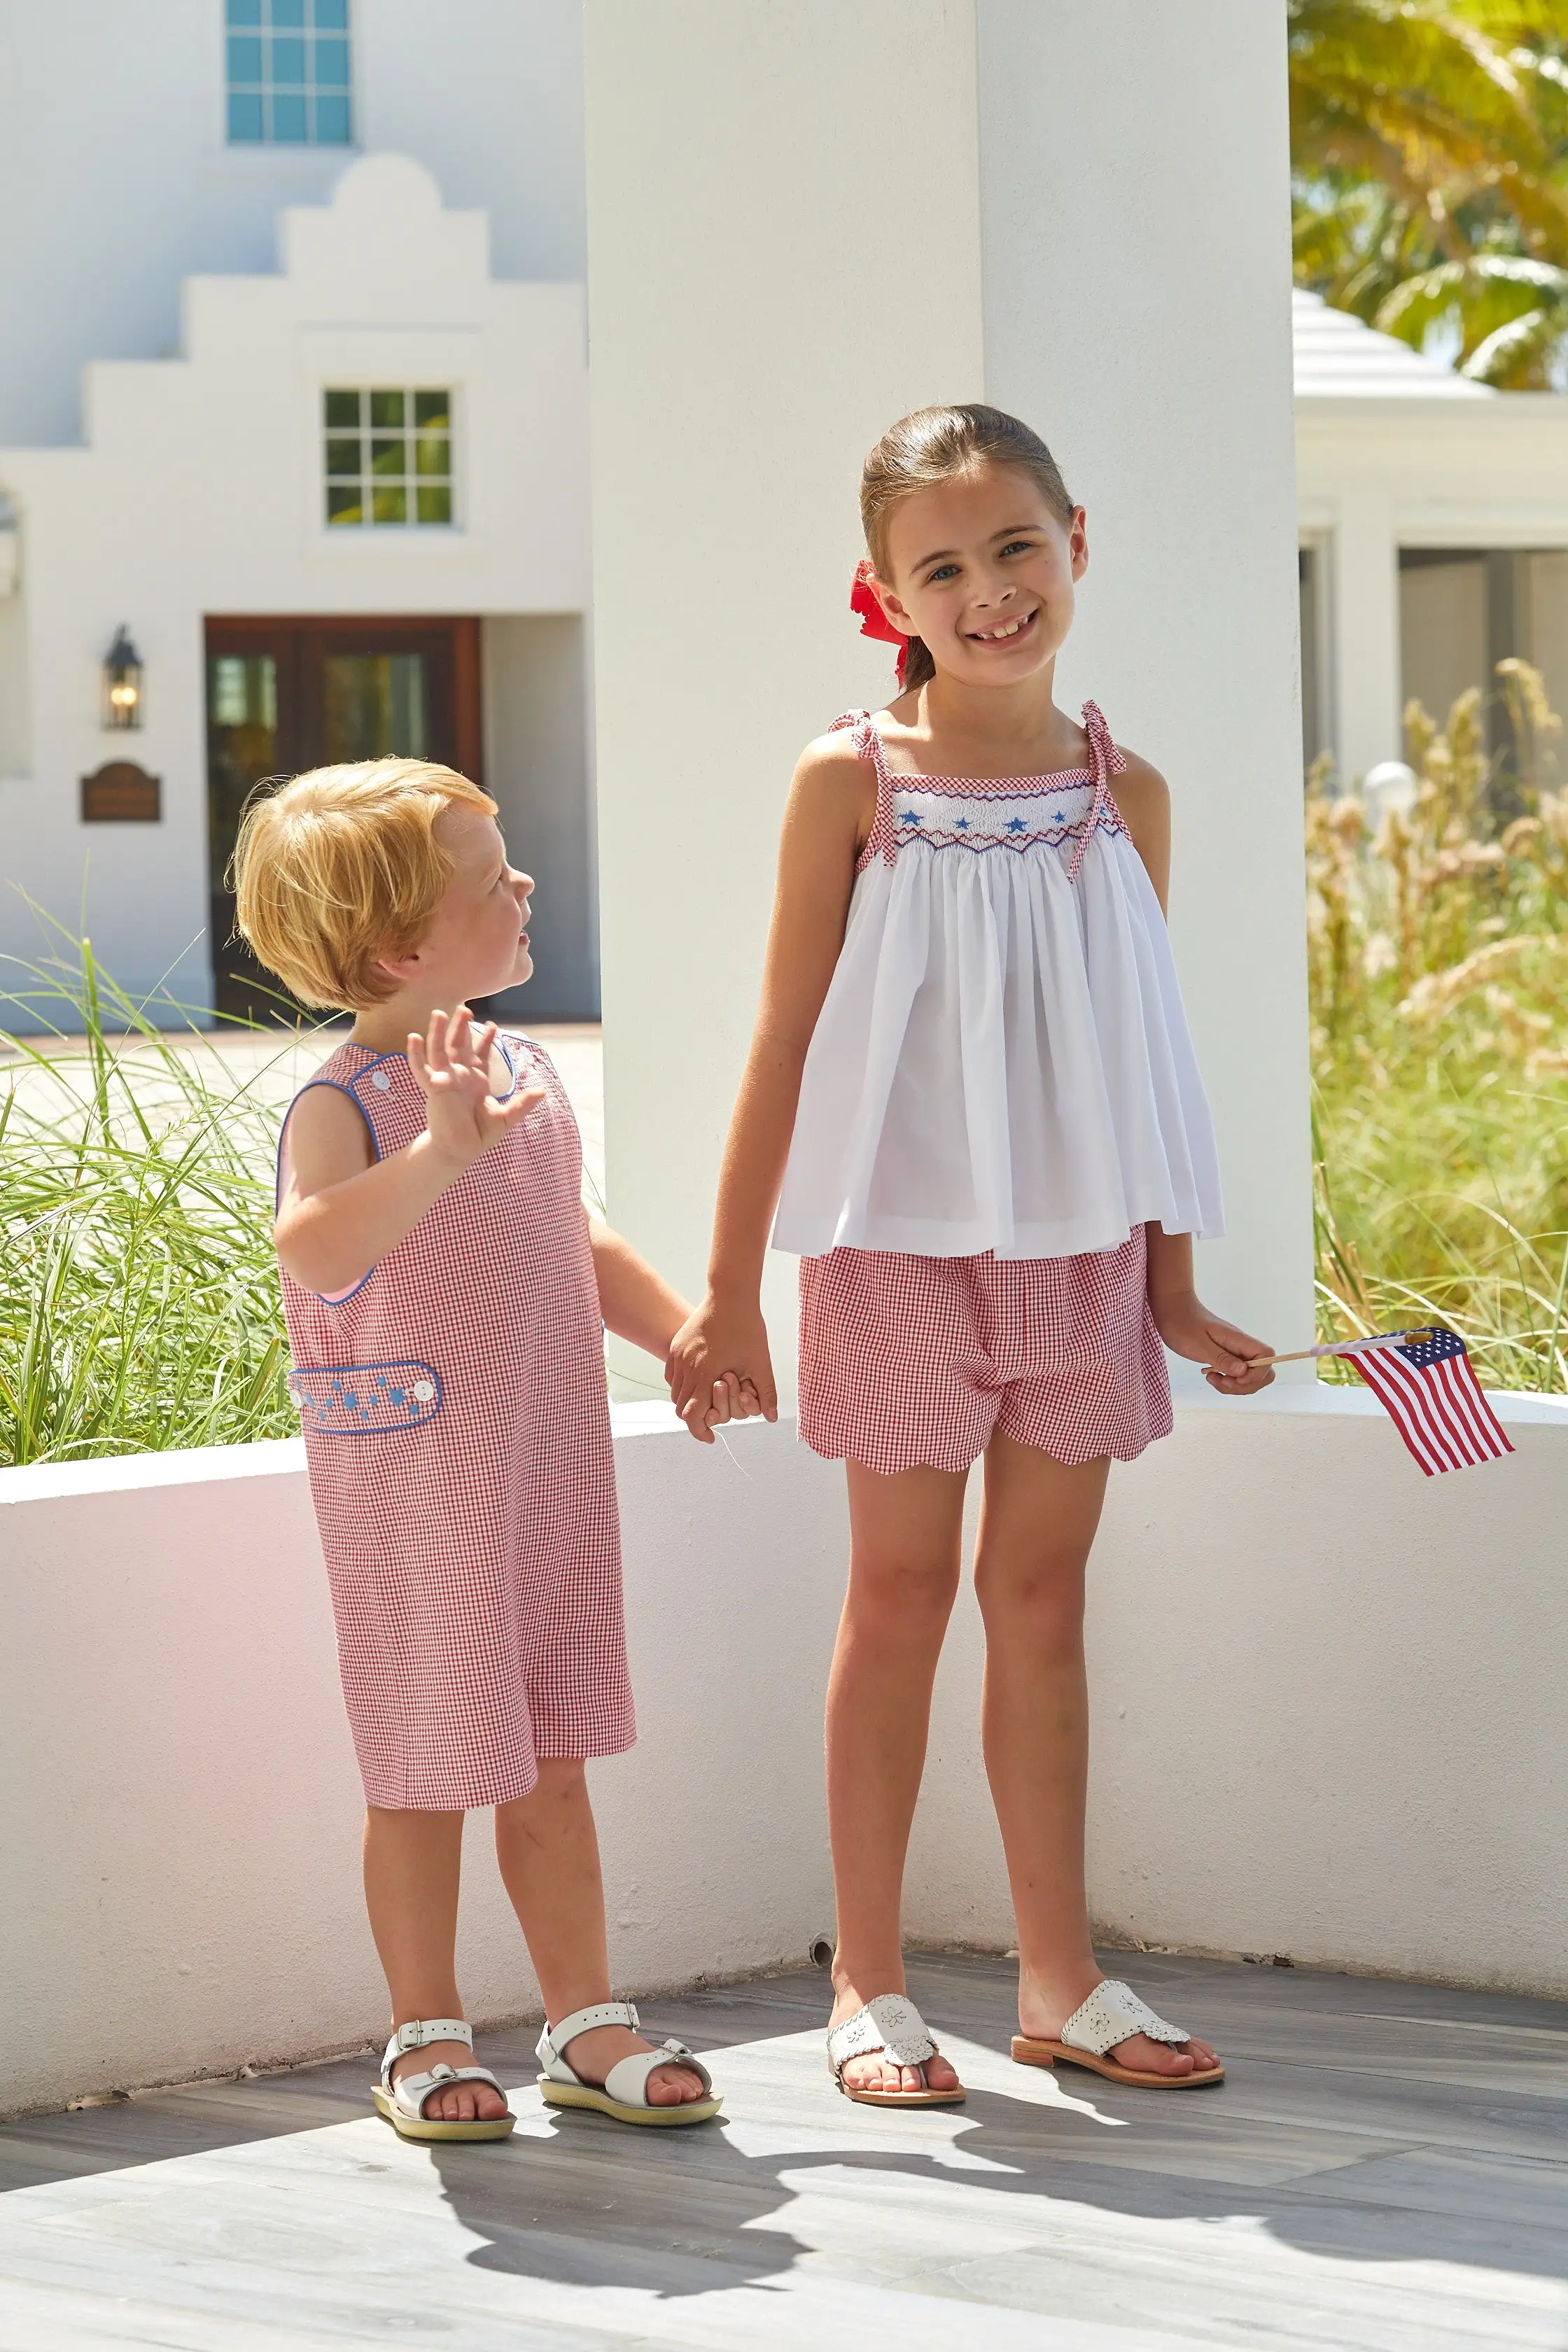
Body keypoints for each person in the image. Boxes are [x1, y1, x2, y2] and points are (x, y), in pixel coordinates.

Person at [668, 403, 1275, 2107]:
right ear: (887, 594)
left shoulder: (1122, 794)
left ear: (1078, 543)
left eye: (1017, 547)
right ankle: (864, 1985)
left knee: (1043, 1604)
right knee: (899, 1596)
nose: (990, 589)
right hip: (888, 1255)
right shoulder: (848, 782)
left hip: (1082, 1262)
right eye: (943, 565)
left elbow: (1135, 1055)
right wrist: (726, 1291)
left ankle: (1056, 1980)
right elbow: (782, 1040)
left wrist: (1173, 1291)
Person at [235, 757, 755, 2141]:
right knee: (425, 1767)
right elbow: (312, 1245)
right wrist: (439, 1154)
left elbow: (574, 1242)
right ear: (399, 945)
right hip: (419, 1489)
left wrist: (685, 1341)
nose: (522, 885)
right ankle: (424, 2034)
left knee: (554, 1754)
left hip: (547, 1472)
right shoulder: (348, 1103)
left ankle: (583, 2022)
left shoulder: (519, 1065)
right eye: (489, 878)